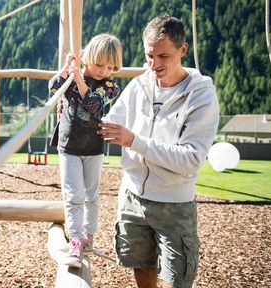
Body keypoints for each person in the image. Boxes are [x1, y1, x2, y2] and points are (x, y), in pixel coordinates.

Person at [98, 15, 219, 287]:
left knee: (178, 279)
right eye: (149, 55)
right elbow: (110, 122)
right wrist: (79, 112)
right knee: (141, 267)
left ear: (183, 50)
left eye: (163, 55)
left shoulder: (201, 95)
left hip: (174, 204)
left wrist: (133, 141)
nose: (154, 64)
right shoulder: (139, 85)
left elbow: (191, 159)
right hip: (131, 196)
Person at [49, 33, 123, 268]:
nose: (104, 71)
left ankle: (89, 235)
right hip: (69, 146)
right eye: (100, 64)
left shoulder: (110, 86)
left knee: (91, 195)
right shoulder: (73, 78)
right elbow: (53, 87)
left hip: (93, 148)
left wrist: (79, 78)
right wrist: (66, 69)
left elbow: (93, 104)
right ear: (88, 57)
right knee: (73, 195)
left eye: (110, 66)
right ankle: (76, 241)